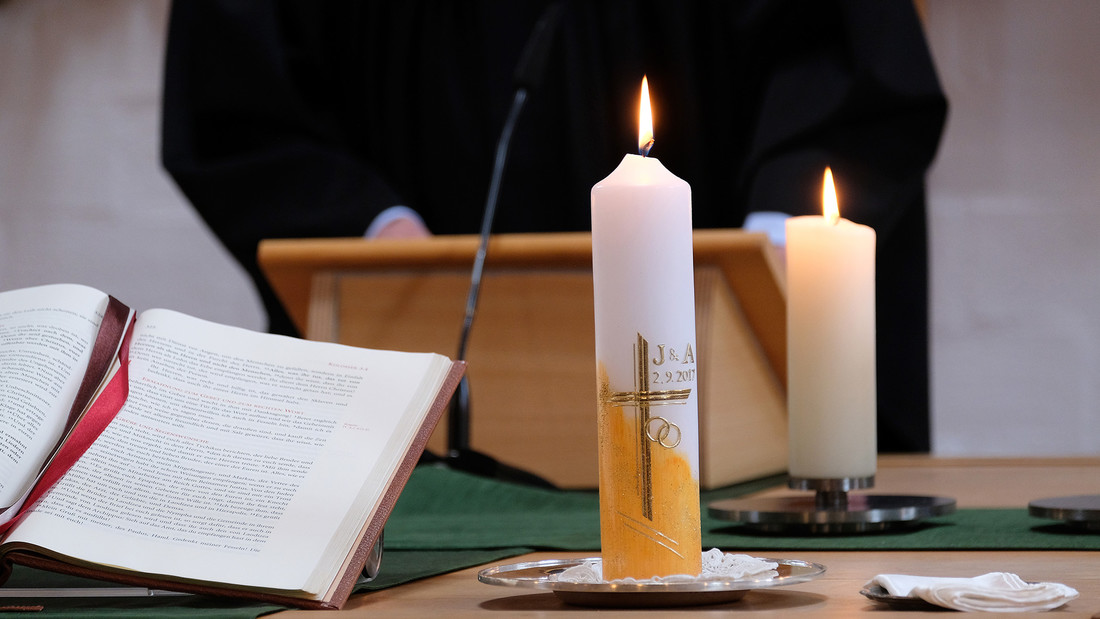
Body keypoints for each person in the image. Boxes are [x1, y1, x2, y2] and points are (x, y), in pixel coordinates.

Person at [161, 0, 947, 453]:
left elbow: (847, 63)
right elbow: (240, 85)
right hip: (408, 365)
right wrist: (378, 242)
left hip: (747, 414)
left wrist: (768, 271)